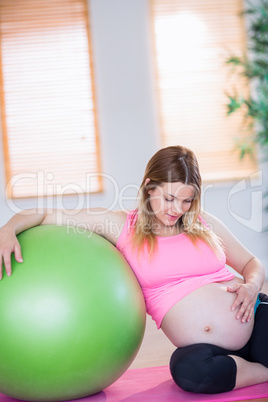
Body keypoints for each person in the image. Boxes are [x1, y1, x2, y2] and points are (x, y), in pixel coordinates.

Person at [0, 145, 267, 394]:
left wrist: (251, 286)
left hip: (254, 317)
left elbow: (250, 263)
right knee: (189, 372)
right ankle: (260, 371)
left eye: (186, 201)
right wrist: (8, 229)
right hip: (203, 350)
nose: (177, 209)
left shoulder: (203, 224)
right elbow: (45, 214)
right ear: (149, 188)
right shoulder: (122, 227)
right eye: (169, 198)